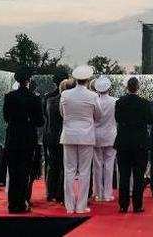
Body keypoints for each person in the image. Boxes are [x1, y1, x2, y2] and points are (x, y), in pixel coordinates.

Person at [60, 65, 102, 214]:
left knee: (69, 170)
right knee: (84, 171)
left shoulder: (65, 94)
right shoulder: (93, 96)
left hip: (69, 135)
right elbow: (98, 115)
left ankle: (69, 206)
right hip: (86, 136)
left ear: (75, 79)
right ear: (88, 79)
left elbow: (62, 113)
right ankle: (81, 206)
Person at [3, 66, 44, 213]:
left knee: (13, 171)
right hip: (28, 138)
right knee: (25, 171)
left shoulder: (9, 96)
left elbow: (6, 117)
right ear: (28, 80)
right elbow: (40, 122)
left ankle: (12, 203)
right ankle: (22, 201)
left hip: (13, 137)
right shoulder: (34, 98)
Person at [115, 77, 153, 213]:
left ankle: (123, 205)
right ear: (137, 87)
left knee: (124, 175)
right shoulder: (145, 103)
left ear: (127, 87)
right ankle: (137, 205)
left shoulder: (119, 102)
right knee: (138, 176)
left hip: (123, 143)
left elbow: (117, 119)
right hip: (140, 143)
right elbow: (150, 120)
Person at [45, 77, 75, 202]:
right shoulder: (69, 103)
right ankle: (61, 193)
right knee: (64, 166)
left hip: (51, 136)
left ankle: (51, 192)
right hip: (64, 136)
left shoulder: (50, 101)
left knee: (53, 166)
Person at [93, 76, 116, 202]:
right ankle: (107, 194)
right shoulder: (115, 101)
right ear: (109, 88)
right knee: (109, 165)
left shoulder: (95, 101)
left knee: (97, 165)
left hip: (96, 136)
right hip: (111, 136)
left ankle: (98, 193)